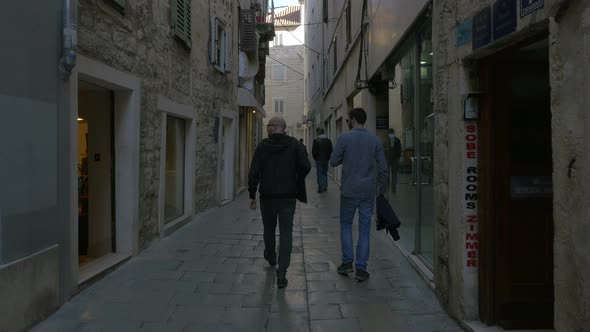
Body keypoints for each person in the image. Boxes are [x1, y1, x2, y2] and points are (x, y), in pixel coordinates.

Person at [248, 117, 311, 288]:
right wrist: (296, 179)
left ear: (277, 127)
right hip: (288, 197)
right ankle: (282, 273)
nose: (267, 128)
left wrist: (252, 194)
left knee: (268, 228)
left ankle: (270, 256)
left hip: (267, 196)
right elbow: (306, 166)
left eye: (269, 125)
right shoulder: (295, 145)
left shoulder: (262, 146)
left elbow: (254, 171)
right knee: (286, 233)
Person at [330, 108, 388, 281]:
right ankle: (361, 268)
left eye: (348, 119)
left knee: (346, 224)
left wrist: (345, 158)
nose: (347, 122)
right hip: (367, 191)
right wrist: (382, 191)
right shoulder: (374, 140)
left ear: (353, 119)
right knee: (364, 228)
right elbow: (384, 169)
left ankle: (347, 262)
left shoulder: (344, 138)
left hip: (348, 189)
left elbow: (333, 161)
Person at [311, 128, 333, 193]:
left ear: (319, 133)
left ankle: (321, 188)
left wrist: (315, 158)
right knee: (325, 173)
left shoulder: (316, 140)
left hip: (319, 159)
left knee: (320, 173)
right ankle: (325, 186)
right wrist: (328, 157)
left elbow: (313, 151)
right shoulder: (329, 141)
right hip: (326, 159)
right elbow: (331, 150)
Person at [384, 128, 402, 192]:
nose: (391, 134)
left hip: (390, 159)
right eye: (390, 133)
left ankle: (391, 187)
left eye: (391, 133)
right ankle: (392, 187)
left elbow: (399, 150)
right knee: (393, 173)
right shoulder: (395, 140)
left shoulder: (387, 140)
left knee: (391, 173)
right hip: (391, 159)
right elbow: (399, 150)